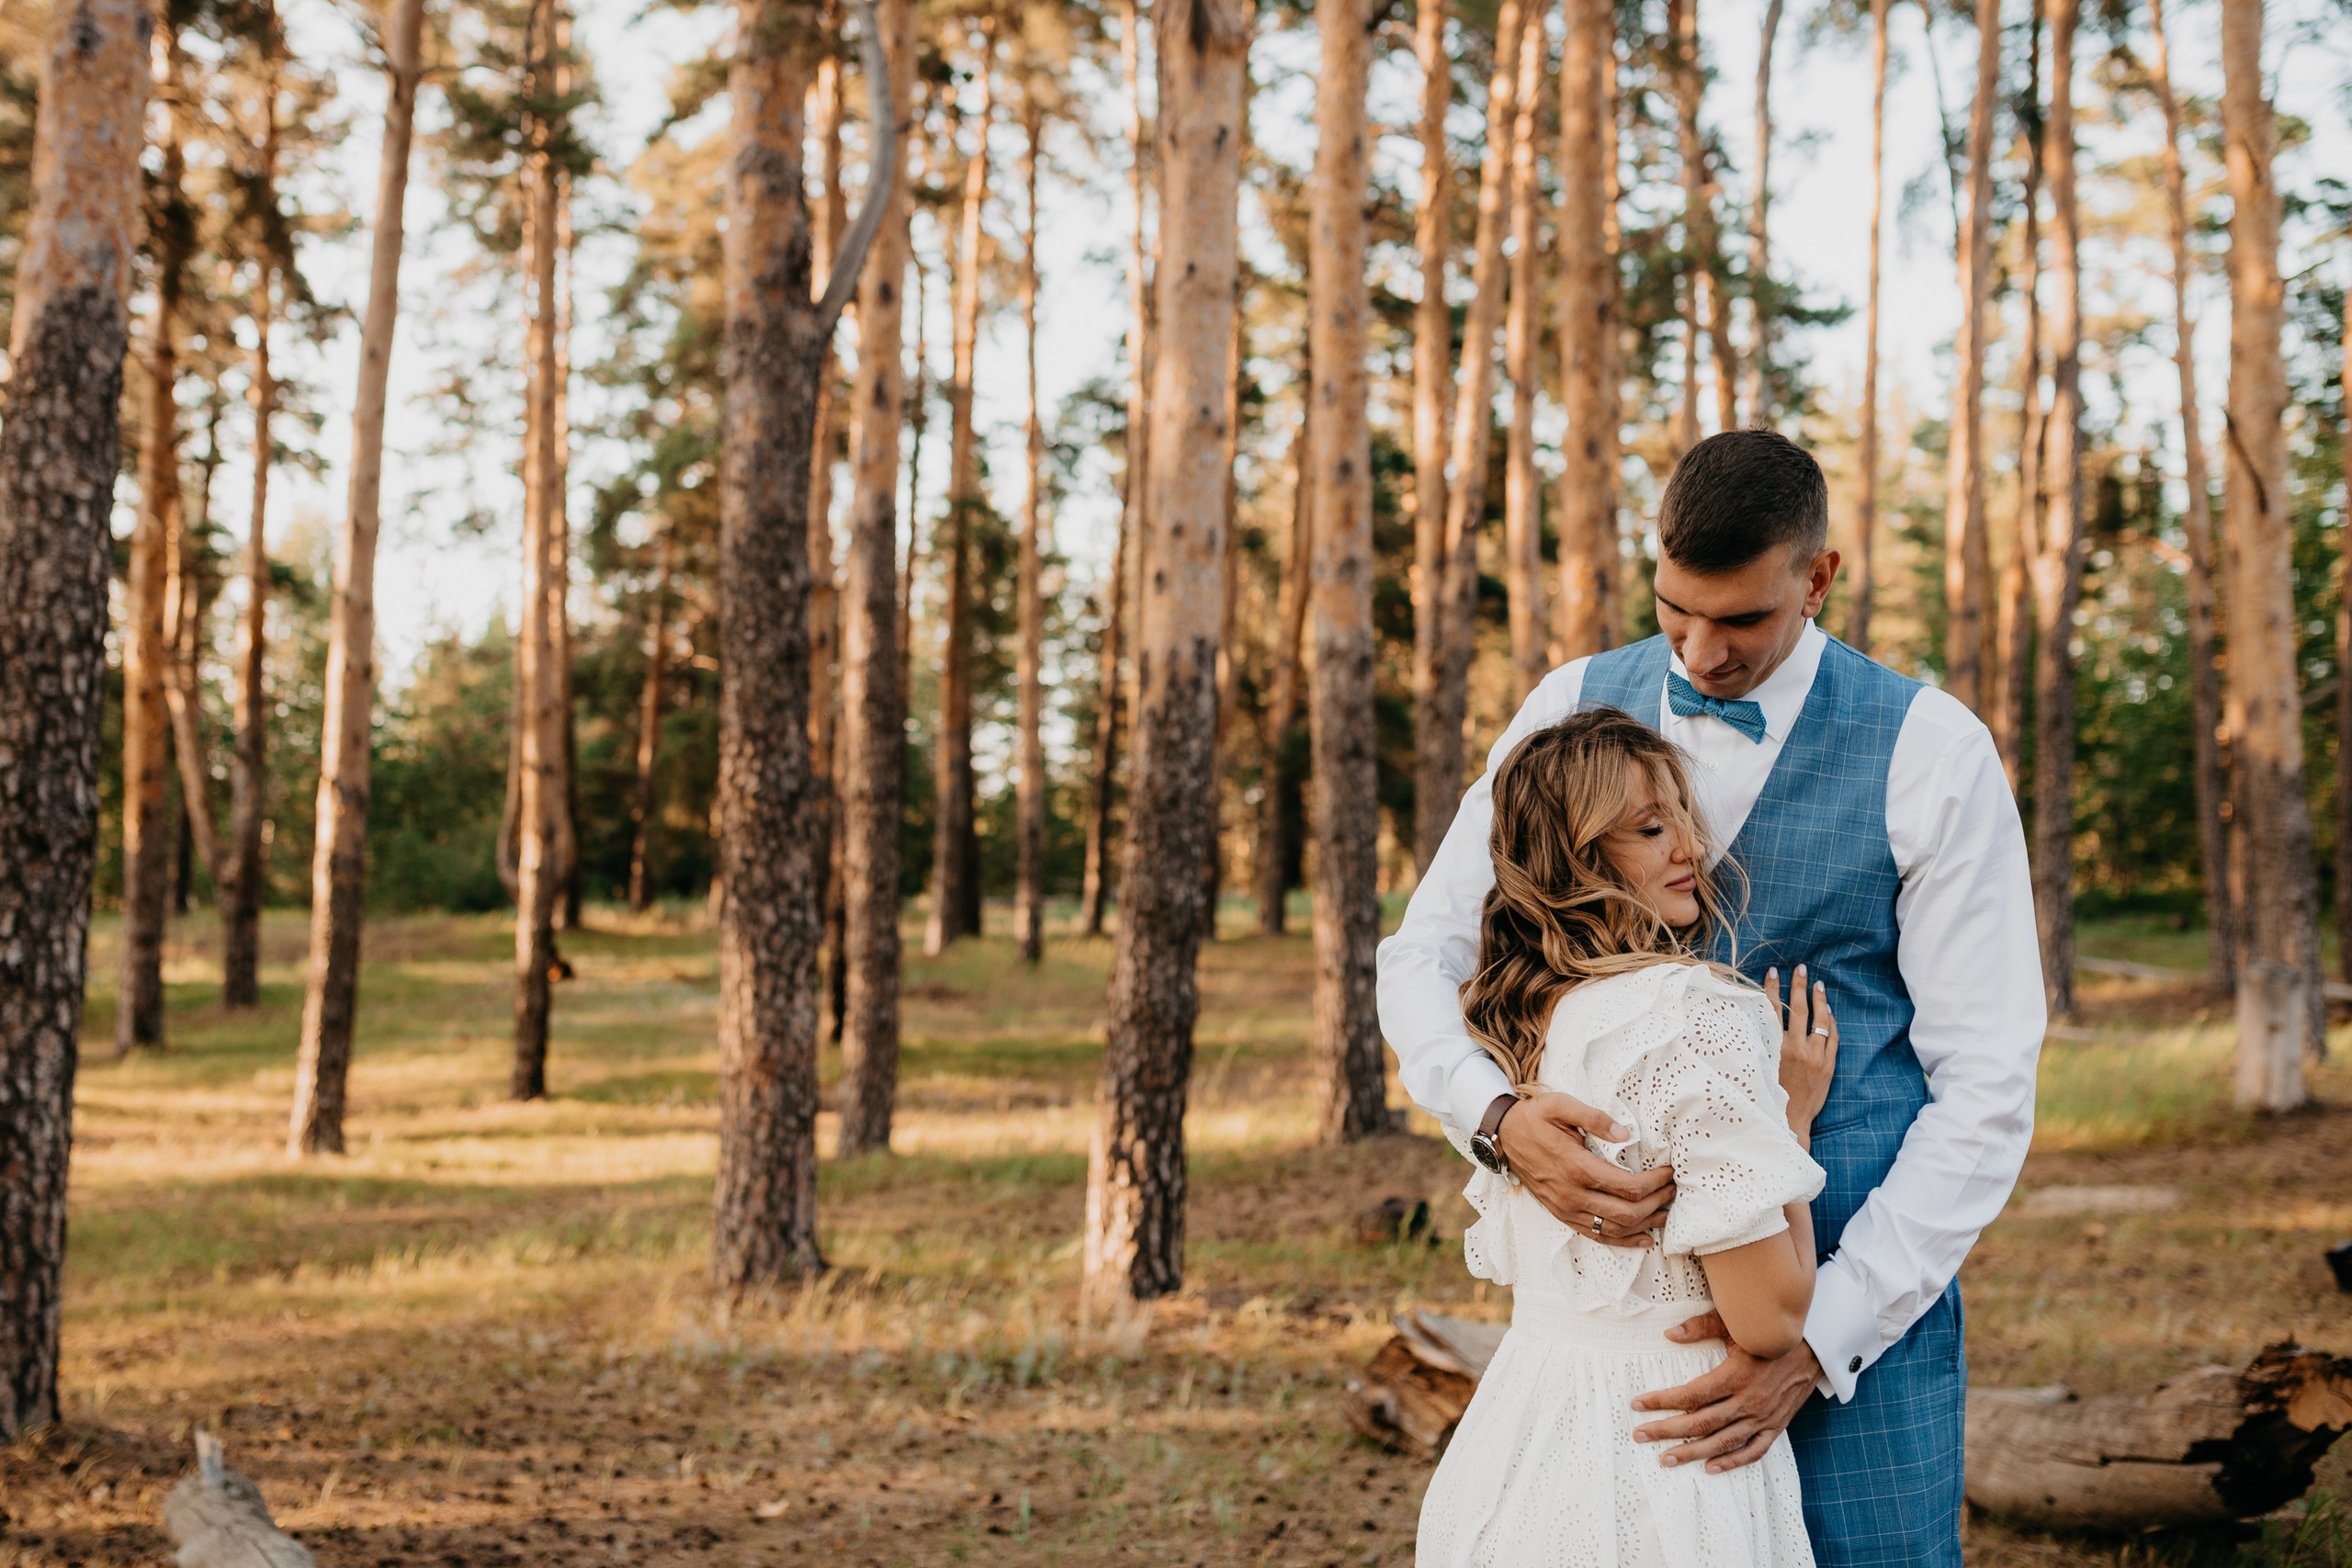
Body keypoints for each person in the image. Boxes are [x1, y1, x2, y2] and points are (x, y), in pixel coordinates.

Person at [1381, 429, 2044, 1567]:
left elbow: (1986, 1084)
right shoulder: (1568, 704)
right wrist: (1492, 1122)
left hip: (1849, 1299)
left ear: (1818, 576)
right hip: (1634, 1345)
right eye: (1672, 609)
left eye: (1738, 621)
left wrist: (1819, 1336)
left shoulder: (1932, 750)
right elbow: (1424, 953)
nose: (1695, 653)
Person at [1416, 708, 1839, 1567]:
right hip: (1664, 1454)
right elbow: (1769, 1316)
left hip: (1515, 1441)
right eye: (1650, 828)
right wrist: (1792, 1117)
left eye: (1682, 816)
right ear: (1578, 860)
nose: (1688, 846)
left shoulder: (1516, 1025)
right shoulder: (1699, 1013)